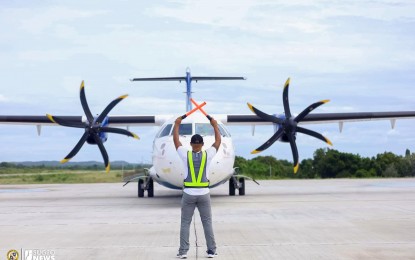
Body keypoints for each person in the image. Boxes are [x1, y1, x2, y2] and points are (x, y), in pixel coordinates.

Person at [173, 116, 221, 259]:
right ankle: (211, 251)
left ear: (191, 144)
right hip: (204, 194)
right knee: (207, 223)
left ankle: (183, 252)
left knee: (185, 223)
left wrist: (177, 125)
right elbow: (218, 141)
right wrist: (215, 125)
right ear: (202, 144)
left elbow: (176, 141)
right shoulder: (208, 155)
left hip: (188, 194)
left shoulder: (185, 154)